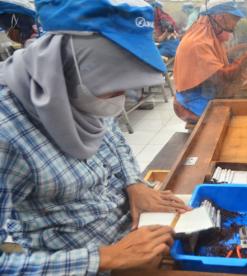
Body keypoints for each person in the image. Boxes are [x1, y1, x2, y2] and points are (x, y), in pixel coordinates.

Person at [0, 0, 190, 274]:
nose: (120, 99)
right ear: (69, 61)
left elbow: (113, 138)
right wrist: (103, 259)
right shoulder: (7, 131)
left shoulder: (76, 88)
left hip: (134, 235)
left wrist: (133, 184)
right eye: (112, 86)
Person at [173, 0, 247, 123]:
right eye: (234, 18)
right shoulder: (198, 43)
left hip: (205, 92)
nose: (236, 23)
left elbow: (218, 67)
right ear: (219, 17)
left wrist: (243, 72)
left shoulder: (209, 36)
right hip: (192, 103)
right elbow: (223, 76)